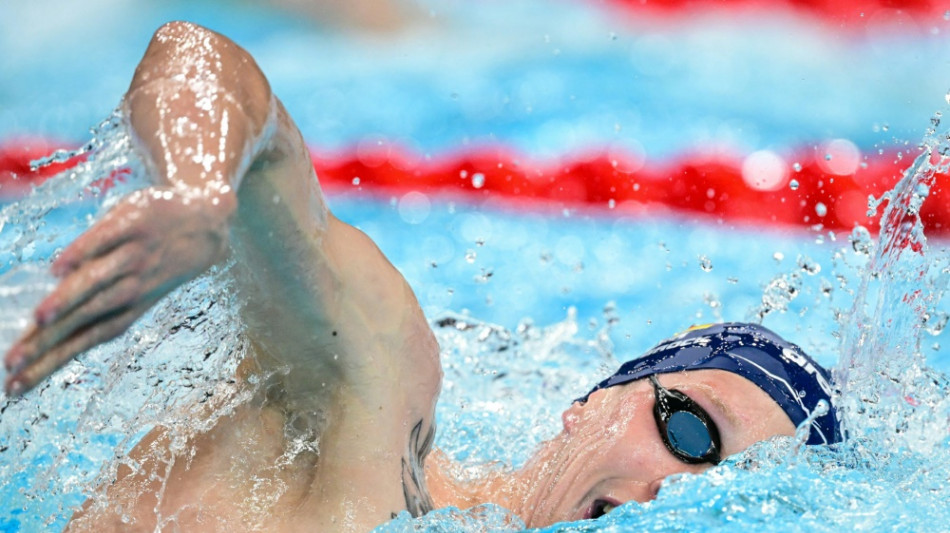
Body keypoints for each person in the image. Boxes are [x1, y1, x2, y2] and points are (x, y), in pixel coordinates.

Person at [1, 21, 840, 532]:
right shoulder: (370, 415)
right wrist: (195, 192)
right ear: (590, 405)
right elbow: (203, 60)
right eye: (691, 433)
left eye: (731, 505)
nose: (672, 497)